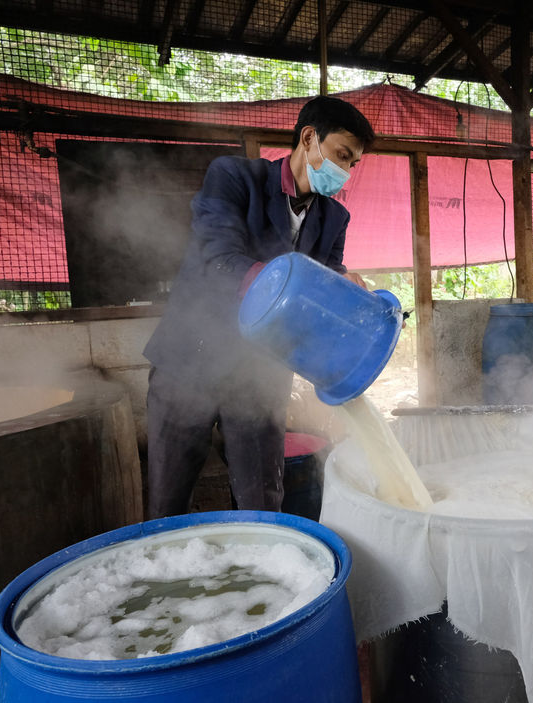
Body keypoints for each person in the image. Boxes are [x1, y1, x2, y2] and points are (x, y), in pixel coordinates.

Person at [142, 96, 376, 518]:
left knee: (264, 502)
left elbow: (323, 289)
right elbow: (218, 258)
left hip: (260, 373)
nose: (344, 171)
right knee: (167, 500)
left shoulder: (334, 219)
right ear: (309, 138)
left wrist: (345, 290)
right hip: (190, 359)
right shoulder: (234, 177)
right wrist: (304, 282)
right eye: (342, 155)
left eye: (353, 163)